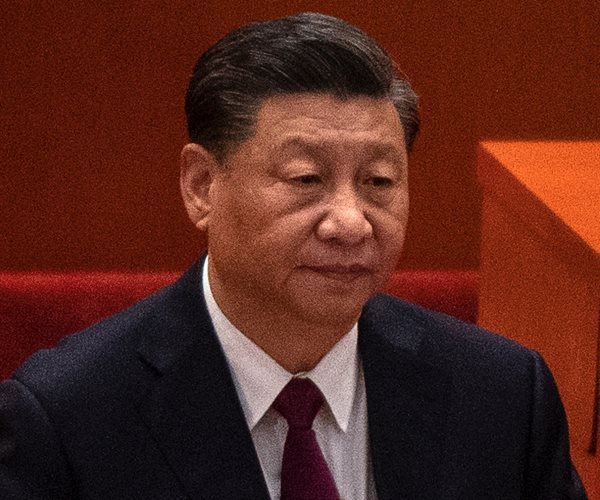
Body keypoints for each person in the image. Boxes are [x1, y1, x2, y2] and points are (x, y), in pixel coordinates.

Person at [0, 12, 586, 500]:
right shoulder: (67, 416)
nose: (350, 222)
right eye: (306, 179)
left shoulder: (502, 395)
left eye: (379, 182)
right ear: (201, 186)